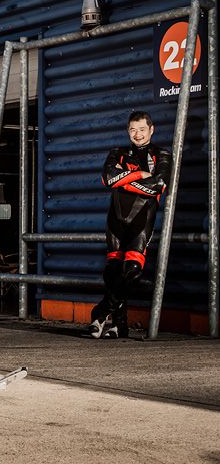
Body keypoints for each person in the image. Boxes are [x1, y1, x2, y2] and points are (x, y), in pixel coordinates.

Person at [89, 111, 171, 338]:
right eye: (133, 130)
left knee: (132, 271)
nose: (137, 134)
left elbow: (158, 186)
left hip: (142, 219)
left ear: (151, 130)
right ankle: (118, 325)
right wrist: (140, 175)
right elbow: (107, 178)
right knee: (112, 273)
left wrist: (124, 179)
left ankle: (101, 311)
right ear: (128, 131)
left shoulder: (161, 154)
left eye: (142, 129)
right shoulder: (117, 152)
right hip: (115, 218)